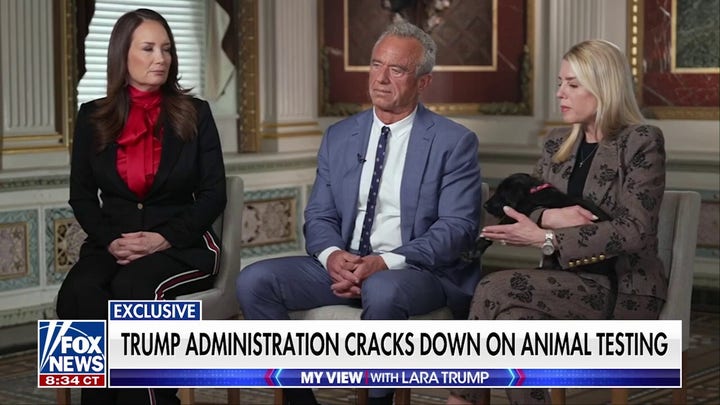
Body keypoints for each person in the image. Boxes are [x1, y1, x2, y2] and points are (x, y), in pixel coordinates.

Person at [236, 21, 482, 405]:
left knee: (381, 289)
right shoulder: (339, 136)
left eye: (396, 70)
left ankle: (377, 400)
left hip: (416, 272)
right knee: (254, 280)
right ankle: (300, 400)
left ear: (423, 82)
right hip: (344, 265)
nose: (380, 79)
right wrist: (333, 257)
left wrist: (382, 263)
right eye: (376, 65)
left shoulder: (454, 141)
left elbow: (457, 228)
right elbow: (319, 214)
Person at [447, 39, 667, 405]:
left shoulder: (641, 141)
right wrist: (550, 216)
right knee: (512, 327)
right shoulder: (556, 143)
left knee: (493, 287)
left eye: (572, 84)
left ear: (604, 86)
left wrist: (549, 239)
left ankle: (460, 400)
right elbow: (518, 206)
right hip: (563, 282)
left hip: (623, 287)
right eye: (560, 83)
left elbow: (635, 231)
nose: (560, 93)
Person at [56, 9, 226, 405]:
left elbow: (214, 193)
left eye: (166, 49)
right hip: (112, 243)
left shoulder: (196, 113)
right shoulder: (92, 117)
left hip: (181, 245)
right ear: (122, 55)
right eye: (148, 49)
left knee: (132, 289)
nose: (160, 59)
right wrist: (111, 241)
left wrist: (162, 239)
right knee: (79, 291)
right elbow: (82, 195)